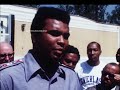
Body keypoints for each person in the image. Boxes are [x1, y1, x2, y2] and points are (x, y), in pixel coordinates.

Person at [0, 7, 82, 90]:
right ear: (35, 36)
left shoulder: (71, 78)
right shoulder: (7, 78)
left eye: (66, 36)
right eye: (54, 33)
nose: (62, 41)